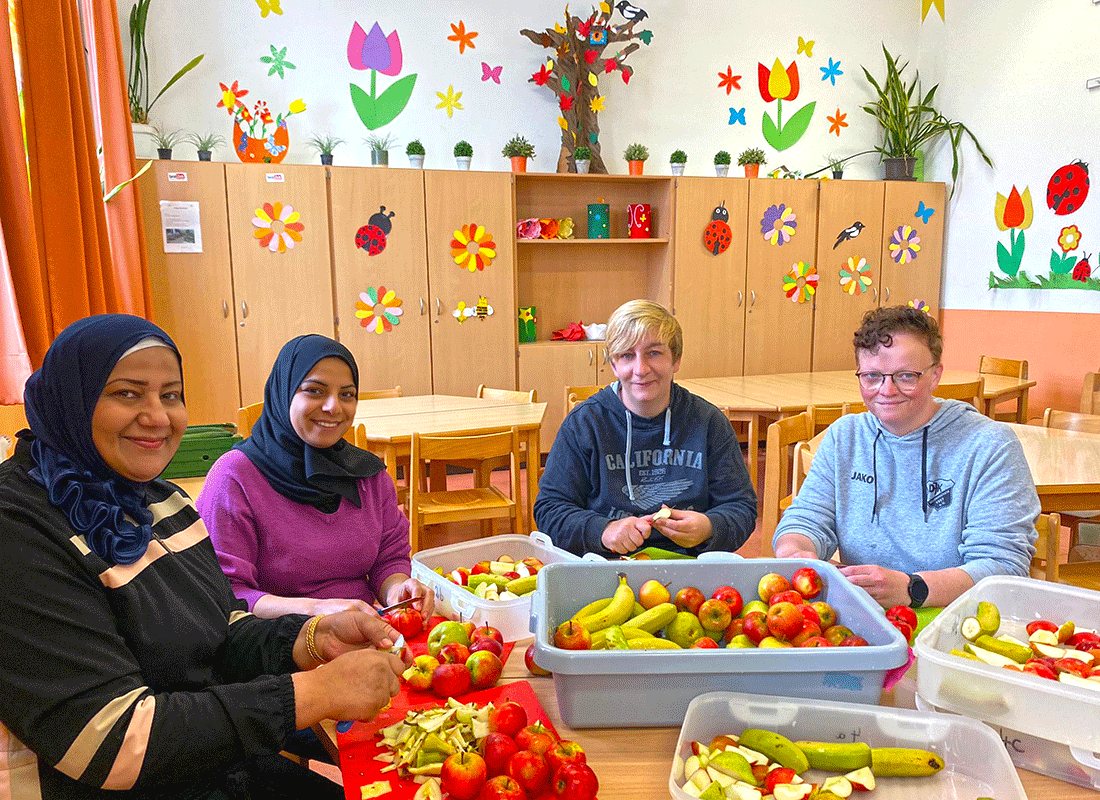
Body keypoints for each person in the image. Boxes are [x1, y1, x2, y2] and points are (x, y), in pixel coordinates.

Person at [0, 315, 410, 799]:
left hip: (209, 762)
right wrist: (314, 693)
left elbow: (223, 625)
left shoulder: (160, 500)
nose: (158, 416)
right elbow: (110, 743)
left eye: (171, 395)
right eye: (128, 393)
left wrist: (311, 638)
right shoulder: (19, 527)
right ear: (72, 399)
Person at [773, 306, 1040, 609]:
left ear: (935, 374)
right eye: (872, 376)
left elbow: (1003, 567)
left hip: (958, 620)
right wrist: (795, 550)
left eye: (905, 376)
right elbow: (806, 519)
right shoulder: (844, 437)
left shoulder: (990, 445)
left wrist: (913, 589)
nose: (887, 390)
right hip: (866, 618)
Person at [197, 334, 435, 623]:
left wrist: (397, 589)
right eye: (315, 391)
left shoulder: (368, 475)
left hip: (363, 633)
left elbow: (390, 559)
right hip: (277, 643)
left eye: (347, 394)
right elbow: (226, 594)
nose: (334, 407)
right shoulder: (235, 478)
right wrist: (317, 609)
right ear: (284, 393)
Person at [534, 299, 757, 557]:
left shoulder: (709, 423)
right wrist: (603, 531)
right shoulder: (585, 423)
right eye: (627, 355)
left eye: (654, 353)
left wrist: (709, 527)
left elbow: (741, 507)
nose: (640, 370)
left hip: (691, 567)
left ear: (676, 360)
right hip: (605, 563)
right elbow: (549, 510)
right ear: (614, 365)